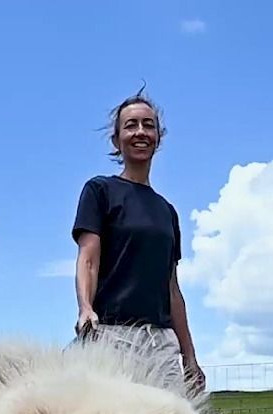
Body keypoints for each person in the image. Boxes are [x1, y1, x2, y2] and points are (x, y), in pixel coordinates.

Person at [71, 88, 205, 392]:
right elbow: (88, 258)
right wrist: (85, 308)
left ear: (158, 137)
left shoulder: (167, 211)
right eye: (131, 125)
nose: (140, 132)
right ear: (116, 139)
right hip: (112, 336)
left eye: (148, 124)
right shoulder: (100, 191)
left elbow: (172, 289)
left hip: (161, 343)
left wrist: (190, 357)